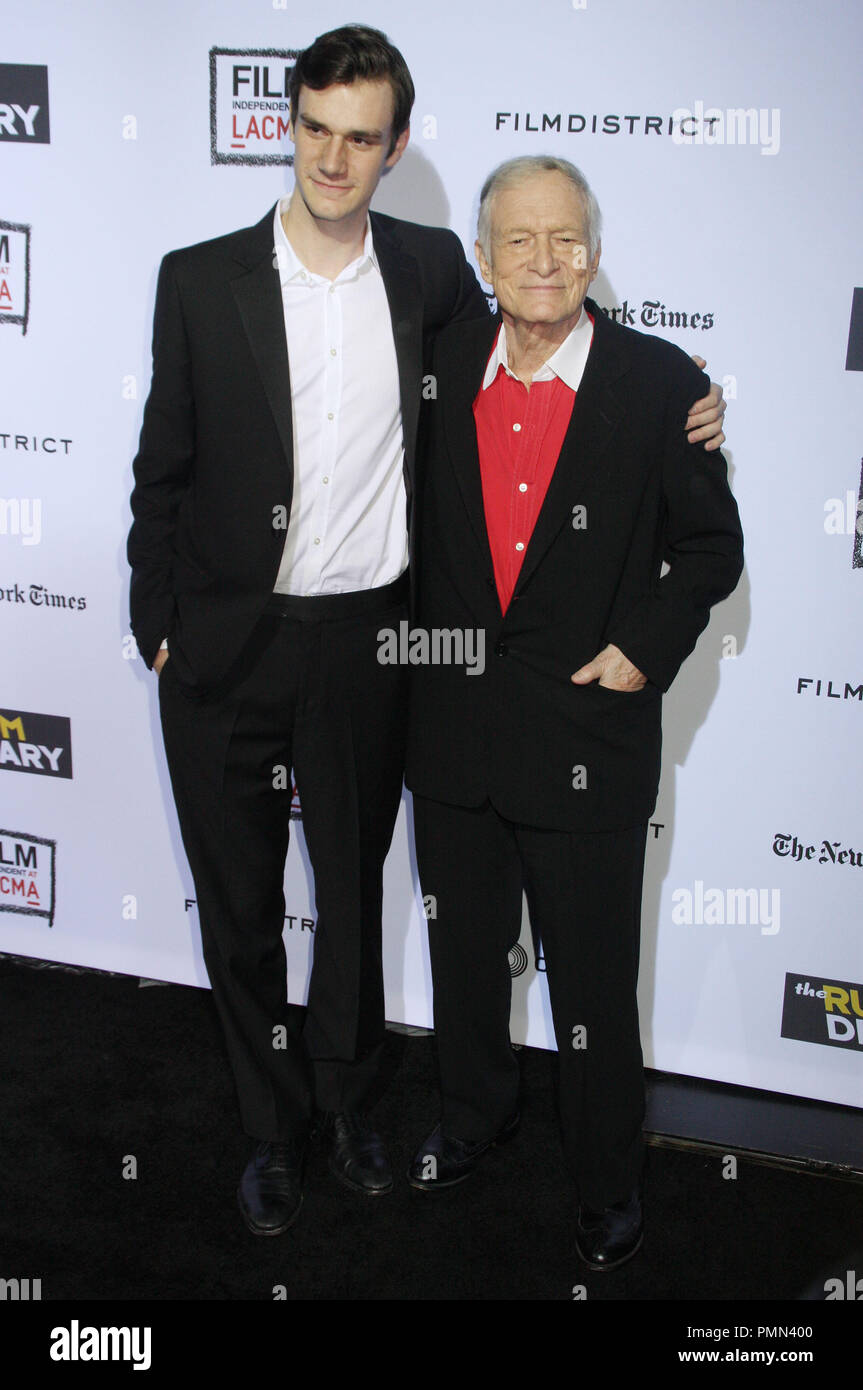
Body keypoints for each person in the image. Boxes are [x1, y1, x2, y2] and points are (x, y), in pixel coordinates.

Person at [128, 24, 727, 1237]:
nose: (334, 159)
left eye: (362, 138)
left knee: (351, 903)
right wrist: (157, 618)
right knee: (239, 909)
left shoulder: (428, 282)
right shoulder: (198, 278)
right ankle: (268, 1128)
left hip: (370, 647)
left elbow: (574, 349)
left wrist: (690, 401)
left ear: (394, 149)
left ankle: (349, 1110)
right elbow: (163, 468)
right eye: (315, 131)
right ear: (286, 125)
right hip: (225, 649)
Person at [404, 155, 744, 1272]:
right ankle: (472, 1115)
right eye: (518, 240)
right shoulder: (436, 363)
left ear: (591, 253)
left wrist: (643, 652)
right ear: (480, 258)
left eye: (564, 239)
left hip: (588, 743)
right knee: (462, 955)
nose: (543, 261)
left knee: (591, 981)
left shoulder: (657, 386)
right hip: (450, 735)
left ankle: (604, 1180)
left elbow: (707, 548)